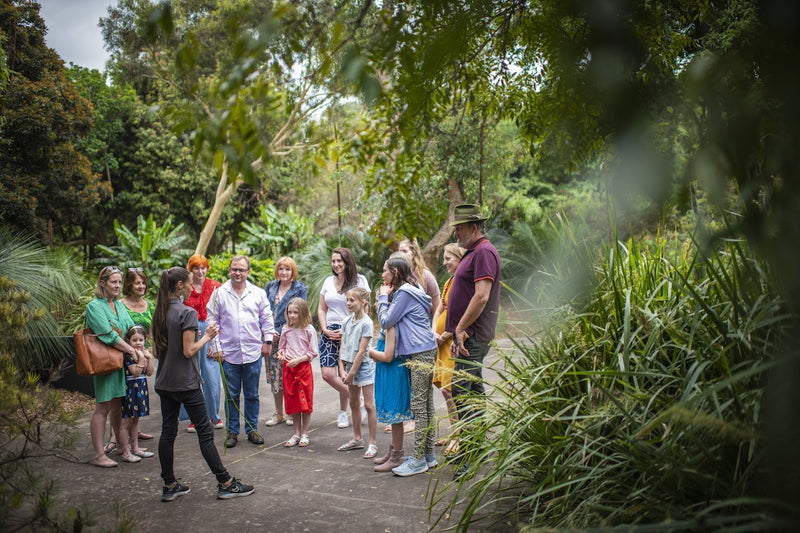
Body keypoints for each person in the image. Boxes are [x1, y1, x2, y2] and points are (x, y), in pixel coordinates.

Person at [152, 266, 254, 501]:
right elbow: (189, 351)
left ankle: (169, 485)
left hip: (164, 382)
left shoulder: (159, 311)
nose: (190, 287)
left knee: (168, 433)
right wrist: (207, 336)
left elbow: (157, 352)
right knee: (205, 434)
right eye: (188, 283)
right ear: (179, 285)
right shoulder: (186, 313)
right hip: (186, 384)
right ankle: (226, 482)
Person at [445, 204, 502, 479]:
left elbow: (481, 296)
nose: (456, 231)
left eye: (460, 226)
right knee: (474, 393)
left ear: (474, 227)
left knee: (462, 393)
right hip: (468, 335)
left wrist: (460, 328)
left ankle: (470, 457)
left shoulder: (484, 253)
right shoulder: (473, 252)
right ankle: (478, 451)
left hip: (472, 336)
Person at [376, 255, 438, 477]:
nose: (382, 275)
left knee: (419, 406)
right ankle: (429, 455)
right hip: (426, 348)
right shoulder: (415, 288)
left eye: (385, 271)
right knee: (427, 404)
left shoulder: (403, 293)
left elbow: (385, 322)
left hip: (420, 351)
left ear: (394, 272)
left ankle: (418, 459)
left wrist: (383, 298)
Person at [207, 255, 274, 448]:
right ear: (229, 270)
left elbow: (266, 318)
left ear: (248, 272)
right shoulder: (219, 293)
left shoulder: (258, 293)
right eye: (234, 269)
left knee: (252, 394)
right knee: (231, 395)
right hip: (228, 353)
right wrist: (216, 347)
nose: (237, 273)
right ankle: (232, 431)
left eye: (241, 270)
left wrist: (267, 341)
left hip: (253, 351)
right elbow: (212, 321)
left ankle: (252, 429)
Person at [85, 266, 139, 468]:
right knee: (103, 406)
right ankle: (99, 455)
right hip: (106, 362)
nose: (117, 286)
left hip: (120, 362)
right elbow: (108, 335)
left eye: (119, 282)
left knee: (118, 405)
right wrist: (131, 351)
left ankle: (120, 447)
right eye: (113, 282)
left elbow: (129, 328)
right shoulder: (94, 306)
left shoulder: (118, 305)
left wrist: (141, 347)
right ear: (102, 283)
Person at [317, 247, 370, 429]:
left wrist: (355, 330)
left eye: (340, 261)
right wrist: (324, 329)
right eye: (333, 261)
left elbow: (366, 308)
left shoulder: (360, 280)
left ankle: (343, 412)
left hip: (352, 331)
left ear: (348, 262)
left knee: (344, 373)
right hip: (329, 331)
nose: (336, 264)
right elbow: (322, 308)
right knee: (328, 374)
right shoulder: (328, 281)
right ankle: (360, 400)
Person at [109, 267, 155, 448]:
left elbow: (150, 331)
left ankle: (133, 430)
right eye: (137, 282)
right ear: (129, 284)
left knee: (136, 393)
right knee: (121, 398)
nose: (141, 286)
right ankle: (115, 437)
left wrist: (147, 351)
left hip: (141, 352)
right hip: (123, 353)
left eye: (143, 282)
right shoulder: (120, 304)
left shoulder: (149, 304)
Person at [264, 256, 308, 428]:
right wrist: (268, 331)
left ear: (293, 271)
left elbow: (301, 312)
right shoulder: (270, 286)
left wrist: (282, 330)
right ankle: (278, 413)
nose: (284, 272)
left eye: (287, 269)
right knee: (274, 376)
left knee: (290, 375)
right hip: (271, 338)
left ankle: (292, 412)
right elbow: (264, 311)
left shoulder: (299, 289)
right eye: (281, 268)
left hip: (291, 338)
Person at [183, 254, 223, 433]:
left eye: (203, 267)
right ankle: (195, 418)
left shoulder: (215, 286)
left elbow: (222, 314)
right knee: (190, 376)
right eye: (196, 268)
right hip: (189, 332)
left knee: (211, 377)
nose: (200, 271)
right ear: (190, 269)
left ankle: (213, 415)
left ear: (207, 268)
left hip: (210, 332)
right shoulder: (185, 286)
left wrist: (215, 342)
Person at [336, 287, 377, 458]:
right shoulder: (346, 321)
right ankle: (357, 438)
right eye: (347, 300)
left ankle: (373, 443)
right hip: (349, 366)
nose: (348, 303)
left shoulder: (366, 323)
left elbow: (362, 351)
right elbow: (342, 346)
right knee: (353, 403)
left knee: (368, 404)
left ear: (363, 302)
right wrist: (341, 369)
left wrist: (352, 373)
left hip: (363, 367)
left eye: (352, 300)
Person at [431, 243, 464, 454]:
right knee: (444, 390)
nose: (444, 262)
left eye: (448, 258)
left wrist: (446, 334)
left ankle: (459, 437)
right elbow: (440, 308)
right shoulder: (449, 281)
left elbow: (463, 313)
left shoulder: (463, 283)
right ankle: (454, 432)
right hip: (440, 343)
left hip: (451, 343)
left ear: (460, 258)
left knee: (451, 390)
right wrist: (434, 330)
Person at [368, 326, 412, 472]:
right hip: (388, 371)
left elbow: (388, 355)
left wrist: (371, 351)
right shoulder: (388, 325)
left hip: (393, 372)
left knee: (396, 414)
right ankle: (393, 449)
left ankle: (396, 456)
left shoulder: (391, 326)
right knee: (393, 415)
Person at [277, 298, 317, 448]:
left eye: (296, 312)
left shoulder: (309, 330)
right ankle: (296, 433)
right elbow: (281, 347)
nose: (292, 315)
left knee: (305, 401)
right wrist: (282, 354)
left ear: (303, 313)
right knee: (293, 400)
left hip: (303, 369)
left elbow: (313, 352)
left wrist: (299, 360)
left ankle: (305, 433)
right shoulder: (286, 329)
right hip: (289, 368)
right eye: (290, 312)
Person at [118, 325, 155, 463]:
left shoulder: (142, 353)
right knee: (126, 421)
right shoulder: (128, 355)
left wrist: (149, 359)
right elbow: (135, 372)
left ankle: (136, 448)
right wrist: (140, 359)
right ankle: (126, 451)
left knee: (135, 419)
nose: (138, 342)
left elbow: (149, 373)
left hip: (141, 388)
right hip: (131, 390)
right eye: (135, 340)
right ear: (128, 341)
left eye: (141, 339)